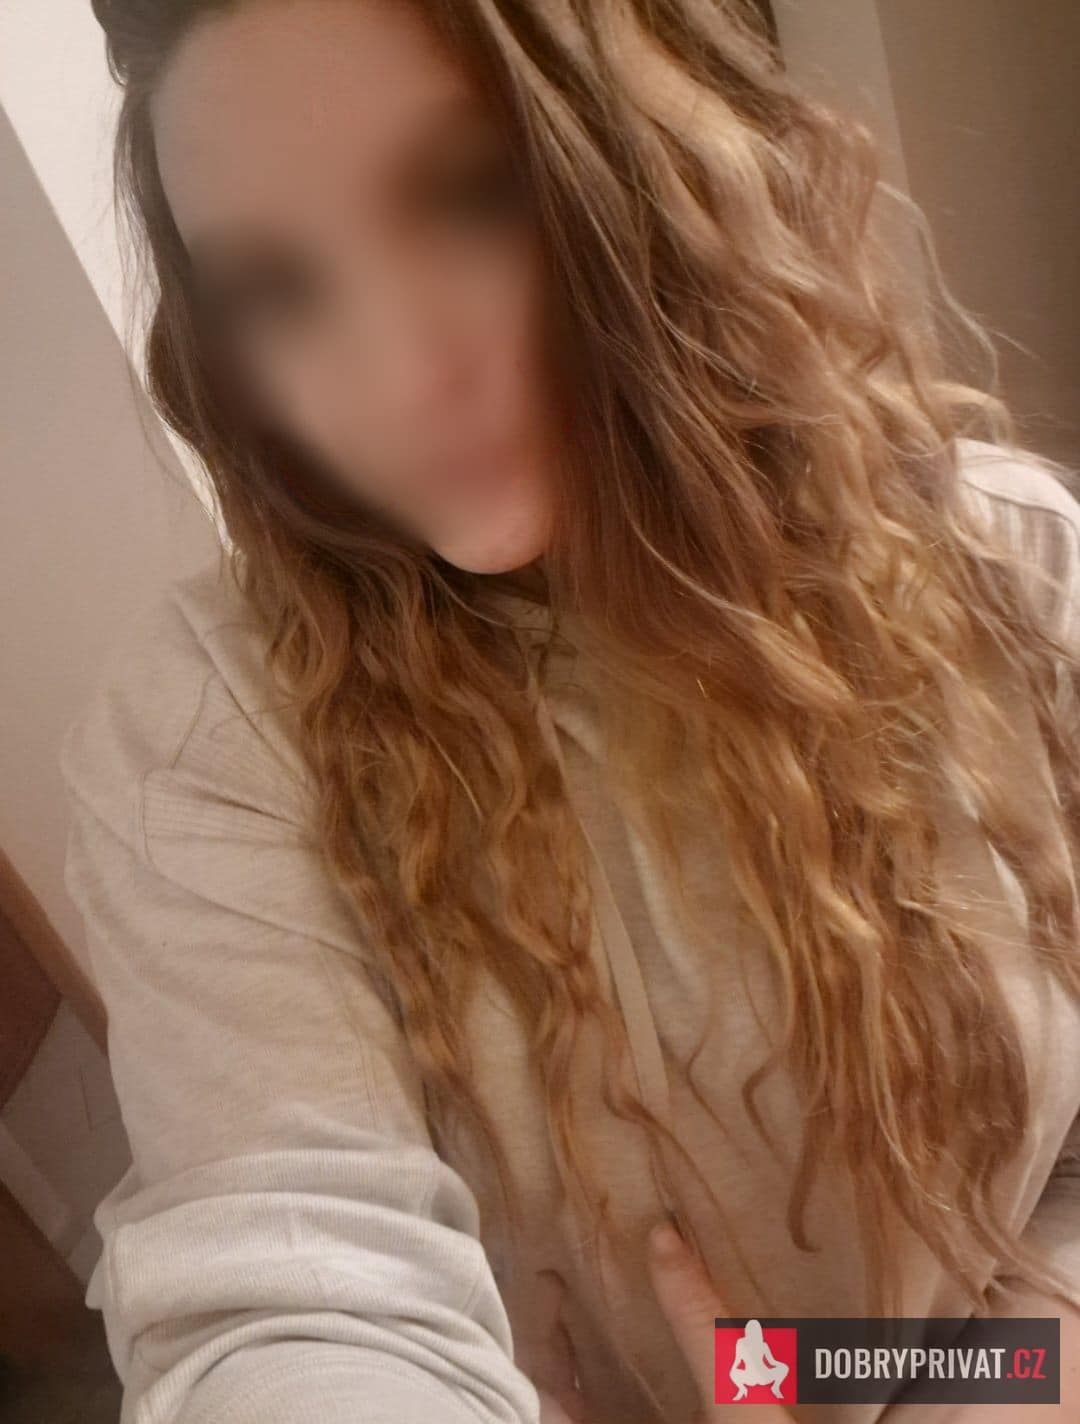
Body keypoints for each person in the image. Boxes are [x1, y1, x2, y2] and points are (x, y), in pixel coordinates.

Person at [61, 2, 1080, 1421]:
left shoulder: (1011, 571)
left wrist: (941, 1390)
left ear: (639, 162)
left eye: (465, 196)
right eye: (279, 288)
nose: (399, 371)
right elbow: (295, 1287)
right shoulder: (222, 732)